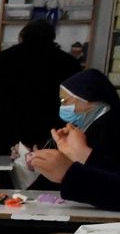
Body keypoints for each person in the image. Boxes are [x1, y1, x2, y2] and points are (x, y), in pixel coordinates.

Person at [0, 21, 82, 156]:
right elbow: (77, 109)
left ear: (22, 36)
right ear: (52, 38)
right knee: (46, 176)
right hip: (47, 145)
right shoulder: (69, 64)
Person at [27, 68, 120, 209]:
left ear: (87, 98)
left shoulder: (109, 126)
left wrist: (70, 167)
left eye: (65, 101)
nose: (62, 106)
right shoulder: (93, 125)